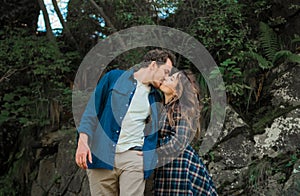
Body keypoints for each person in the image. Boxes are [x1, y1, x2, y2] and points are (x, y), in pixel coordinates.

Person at [75, 49, 176, 196]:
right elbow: (92, 111)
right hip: (102, 154)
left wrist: (149, 154)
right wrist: (83, 142)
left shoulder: (156, 98)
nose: (166, 78)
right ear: (153, 65)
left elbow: (157, 132)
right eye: (166, 72)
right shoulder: (114, 77)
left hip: (134, 158)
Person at [154, 70, 218, 195]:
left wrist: (151, 151)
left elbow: (178, 141)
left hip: (179, 163)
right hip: (167, 163)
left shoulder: (181, 108)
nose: (165, 79)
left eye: (171, 79)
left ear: (177, 90)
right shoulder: (163, 107)